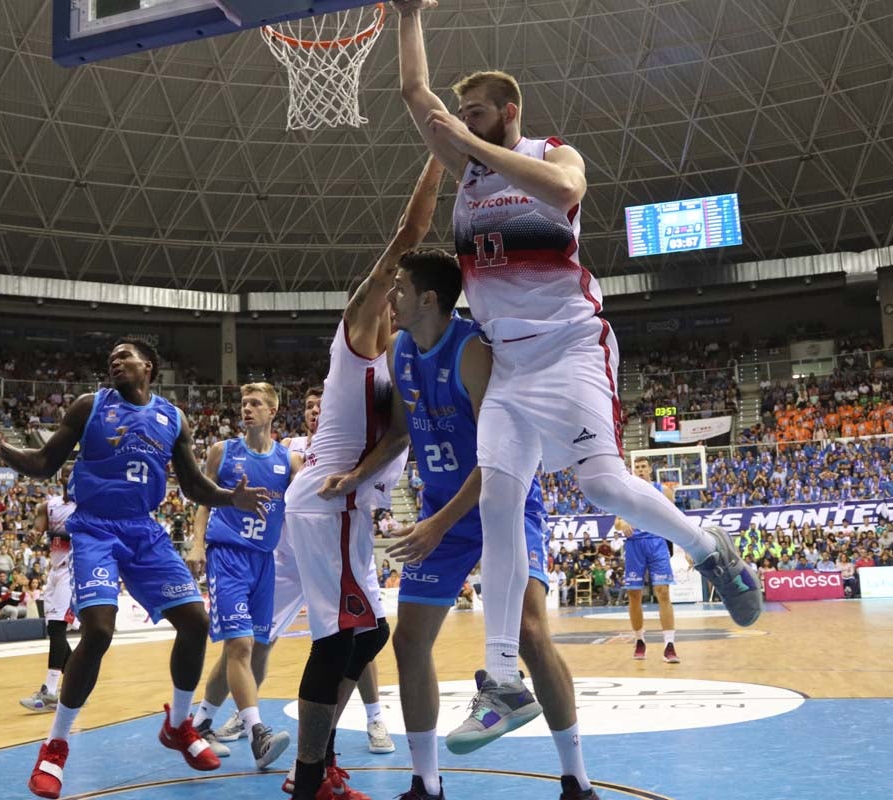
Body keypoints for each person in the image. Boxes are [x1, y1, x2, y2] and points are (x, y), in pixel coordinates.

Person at [393, 0, 761, 747]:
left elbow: (566, 194)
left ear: (509, 112)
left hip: (569, 348)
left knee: (598, 482)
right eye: (463, 112)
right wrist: (407, 16)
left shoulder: (554, 154)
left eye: (477, 111)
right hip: (509, 366)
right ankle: (501, 681)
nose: (463, 119)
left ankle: (705, 548)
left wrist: (469, 143)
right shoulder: (464, 168)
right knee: (498, 500)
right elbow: (416, 99)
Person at [319, 250, 597, 799]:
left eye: (398, 288)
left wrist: (439, 524)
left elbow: (502, 460)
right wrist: (355, 475)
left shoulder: (473, 351)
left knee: (531, 637)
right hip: (441, 513)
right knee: (410, 643)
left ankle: (577, 780)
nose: (390, 297)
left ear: (429, 299)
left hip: (502, 504)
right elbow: (399, 432)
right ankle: (426, 783)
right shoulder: (401, 350)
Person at [0, 337, 270, 800]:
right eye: (112, 356)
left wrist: (231, 497)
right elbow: (46, 464)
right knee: (100, 631)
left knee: (196, 623)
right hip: (94, 529)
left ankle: (178, 725)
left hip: (143, 531)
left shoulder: (173, 418)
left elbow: (191, 485)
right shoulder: (90, 405)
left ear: (149, 366)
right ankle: (55, 747)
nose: (115, 360)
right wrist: (1, 448)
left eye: (125, 355)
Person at [279, 155, 444, 800]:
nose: (392, 300)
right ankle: (312, 779)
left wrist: (361, 476)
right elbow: (405, 240)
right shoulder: (353, 341)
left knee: (369, 632)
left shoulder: (396, 363)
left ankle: (312, 767)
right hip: (331, 503)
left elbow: (400, 436)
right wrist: (435, 160)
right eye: (388, 291)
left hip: (345, 502)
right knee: (339, 638)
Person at [204, 386, 397, 772]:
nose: (313, 412)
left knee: (363, 631)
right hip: (286, 560)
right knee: (251, 641)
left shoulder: (343, 449)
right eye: (308, 407)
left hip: (331, 555)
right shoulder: (288, 448)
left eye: (321, 407)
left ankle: (375, 717)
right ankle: (223, 717)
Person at [186, 383, 298, 769]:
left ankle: (199, 723)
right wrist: (197, 545)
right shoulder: (223, 451)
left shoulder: (288, 461)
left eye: (255, 404)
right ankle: (257, 733)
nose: (247, 409)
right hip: (228, 556)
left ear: (273, 411)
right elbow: (202, 501)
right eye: (244, 403)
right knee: (241, 647)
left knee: (251, 648)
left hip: (265, 561)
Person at [20, 476, 77, 714]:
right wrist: (34, 531)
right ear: (64, 480)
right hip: (53, 571)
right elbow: (39, 518)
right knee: (55, 632)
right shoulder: (51, 504)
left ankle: (51, 691)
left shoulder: (86, 506)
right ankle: (80, 685)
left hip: (71, 572)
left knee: (56, 630)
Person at [615, 457, 679, 664]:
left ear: (650, 469)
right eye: (638, 467)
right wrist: (622, 522)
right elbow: (617, 522)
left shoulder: (664, 491)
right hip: (634, 545)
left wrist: (684, 546)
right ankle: (640, 640)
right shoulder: (626, 492)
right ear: (633, 471)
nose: (641, 470)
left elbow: (676, 519)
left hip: (656, 542)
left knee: (663, 592)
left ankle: (669, 645)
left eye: (644, 467)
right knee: (634, 595)